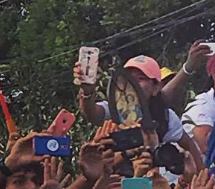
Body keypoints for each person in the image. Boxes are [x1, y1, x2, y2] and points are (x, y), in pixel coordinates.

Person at [76, 54, 205, 171]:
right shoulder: (114, 109)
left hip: (149, 185)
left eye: (140, 79)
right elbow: (91, 113)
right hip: (113, 184)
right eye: (128, 78)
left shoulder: (165, 117)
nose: (133, 84)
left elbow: (190, 146)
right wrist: (87, 91)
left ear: (156, 88)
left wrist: (203, 179)